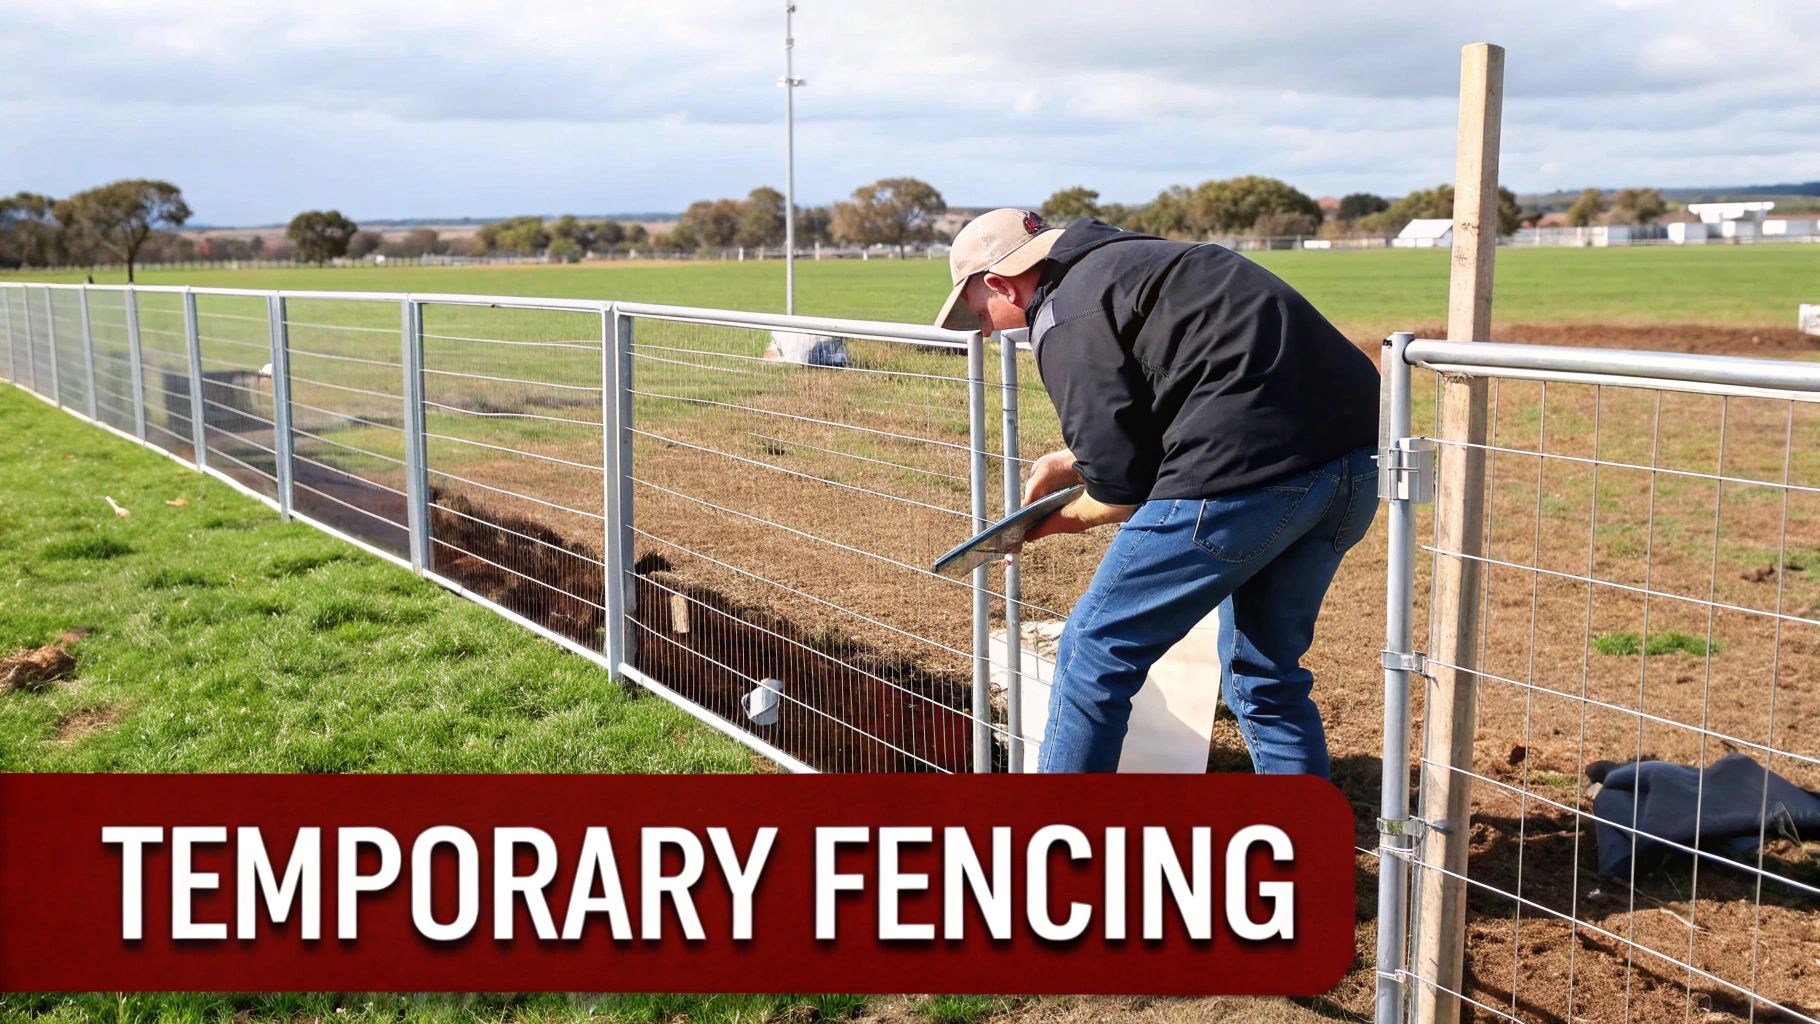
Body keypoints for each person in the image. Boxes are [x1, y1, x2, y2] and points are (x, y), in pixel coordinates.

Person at [933, 209, 1381, 777]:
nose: (992, 331)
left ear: (1000, 283)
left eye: (983, 315)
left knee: (1094, 655)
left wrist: (1052, 520)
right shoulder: (1145, 263)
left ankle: (1052, 846)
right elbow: (1193, 386)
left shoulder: (1065, 313)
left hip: (1237, 484)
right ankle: (1309, 856)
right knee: (1265, 676)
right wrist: (1070, 461)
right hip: (1352, 468)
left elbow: (1122, 486)